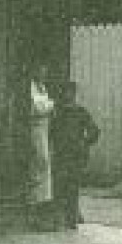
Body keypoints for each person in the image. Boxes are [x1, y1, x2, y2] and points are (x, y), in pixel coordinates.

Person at [47, 81, 100, 229]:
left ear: (74, 95)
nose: (68, 96)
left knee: (73, 187)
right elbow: (50, 133)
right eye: (65, 92)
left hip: (75, 156)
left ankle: (71, 220)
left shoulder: (81, 112)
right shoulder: (57, 113)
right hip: (61, 155)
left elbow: (95, 131)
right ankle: (60, 219)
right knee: (59, 187)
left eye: (71, 92)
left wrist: (84, 142)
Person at [26, 70, 55, 229]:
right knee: (38, 165)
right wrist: (51, 104)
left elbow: (44, 105)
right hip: (35, 129)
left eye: (45, 71)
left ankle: (42, 210)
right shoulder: (30, 87)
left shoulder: (42, 87)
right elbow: (37, 107)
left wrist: (48, 105)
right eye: (41, 70)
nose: (44, 73)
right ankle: (33, 210)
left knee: (44, 167)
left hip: (44, 129)